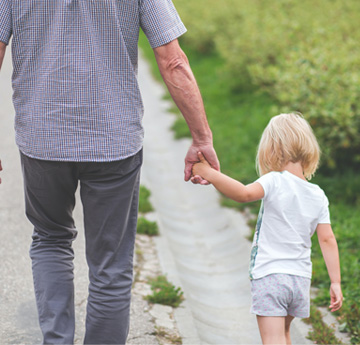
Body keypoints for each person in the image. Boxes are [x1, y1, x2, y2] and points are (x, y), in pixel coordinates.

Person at [0, 0, 219, 344]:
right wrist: (201, 136)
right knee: (111, 264)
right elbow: (173, 60)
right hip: (113, 140)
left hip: (43, 139)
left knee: (50, 240)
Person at [192, 113, 343, 345]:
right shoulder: (318, 195)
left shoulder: (274, 180)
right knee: (283, 335)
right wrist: (336, 282)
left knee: (273, 339)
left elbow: (243, 193)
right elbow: (327, 240)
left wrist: (210, 173)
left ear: (271, 150)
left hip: (271, 276)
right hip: (300, 279)